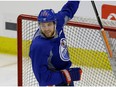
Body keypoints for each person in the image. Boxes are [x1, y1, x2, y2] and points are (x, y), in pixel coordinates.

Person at [29, 1, 82, 86]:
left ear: (55, 23)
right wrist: (66, 75)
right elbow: (43, 79)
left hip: (64, 72)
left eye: (49, 25)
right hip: (53, 79)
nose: (46, 29)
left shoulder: (59, 20)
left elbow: (69, 8)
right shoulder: (39, 46)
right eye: (43, 25)